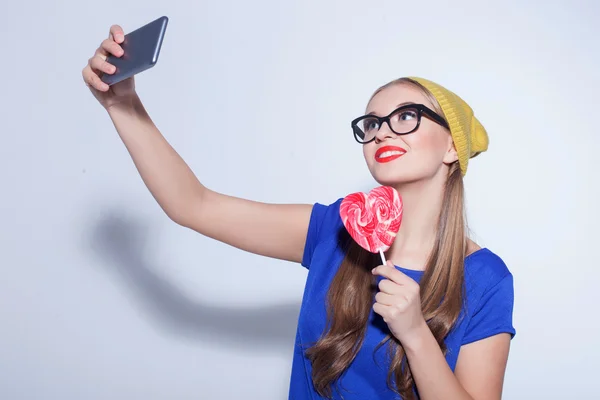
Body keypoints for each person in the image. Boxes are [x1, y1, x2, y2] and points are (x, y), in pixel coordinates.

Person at [82, 24, 516, 400]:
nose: (383, 130)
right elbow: (194, 204)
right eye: (372, 122)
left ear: (453, 147)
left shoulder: (485, 279)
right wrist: (123, 106)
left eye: (407, 116)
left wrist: (416, 333)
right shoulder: (334, 230)